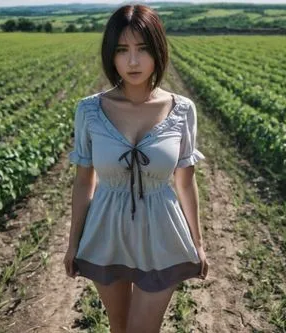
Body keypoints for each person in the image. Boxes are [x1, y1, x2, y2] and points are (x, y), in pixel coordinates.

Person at [63, 4, 209, 333]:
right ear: (110, 55)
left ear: (158, 51)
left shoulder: (182, 110)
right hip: (107, 228)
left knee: (143, 328)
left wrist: (198, 243)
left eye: (142, 49)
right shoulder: (89, 110)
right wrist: (73, 243)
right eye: (122, 50)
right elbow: (84, 181)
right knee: (118, 326)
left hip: (161, 229)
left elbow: (186, 183)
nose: (132, 61)